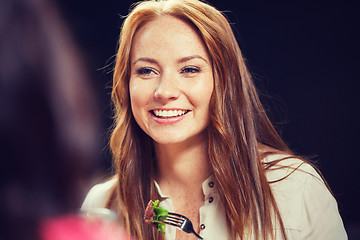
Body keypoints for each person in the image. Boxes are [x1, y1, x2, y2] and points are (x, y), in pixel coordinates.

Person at [81, 0, 347, 239]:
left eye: (189, 69)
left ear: (223, 82)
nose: (164, 92)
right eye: (146, 70)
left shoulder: (296, 189)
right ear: (125, 84)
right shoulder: (101, 205)